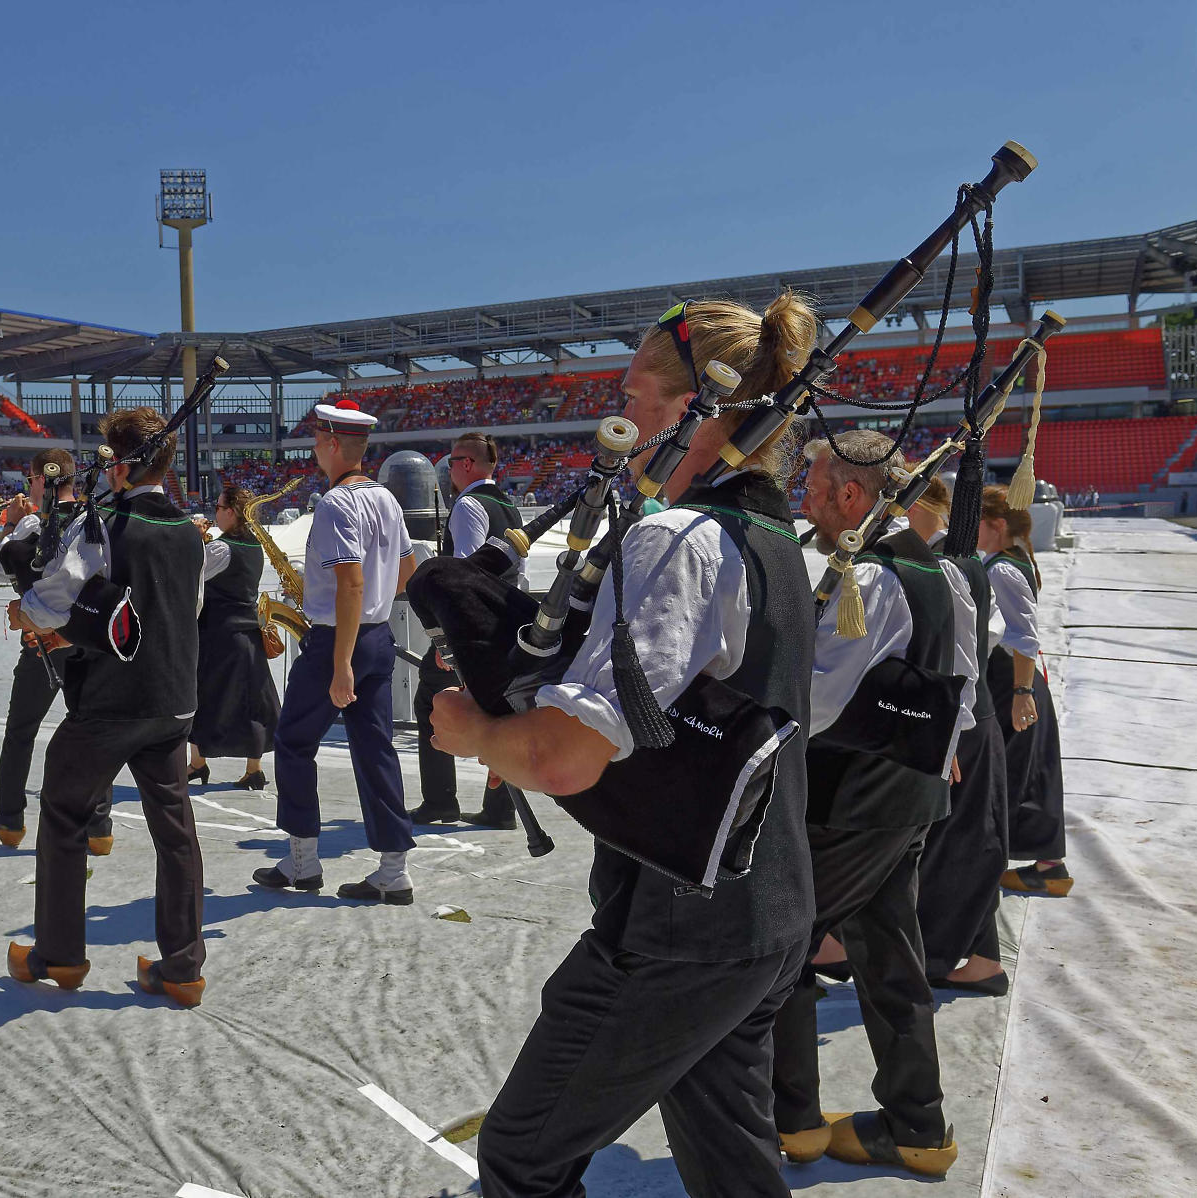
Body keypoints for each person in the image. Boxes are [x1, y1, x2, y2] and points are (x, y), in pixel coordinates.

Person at [430, 296, 821, 1198]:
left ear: (701, 408)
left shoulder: (677, 539)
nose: (624, 411)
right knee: (730, 1162)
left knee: (524, 1156)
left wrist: (477, 731)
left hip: (679, 931)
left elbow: (566, 759)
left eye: (638, 392)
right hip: (769, 910)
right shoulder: (772, 538)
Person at [773, 429, 970, 1179]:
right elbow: (957, 682)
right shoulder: (929, 567)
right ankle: (918, 1128)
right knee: (891, 963)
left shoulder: (872, 579)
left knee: (778, 941)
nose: (808, 505)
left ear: (851, 496)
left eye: (815, 491)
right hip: (908, 792)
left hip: (854, 800)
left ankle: (789, 1120)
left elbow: (815, 701)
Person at [7, 407, 208, 1006]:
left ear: (117, 463)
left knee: (64, 815)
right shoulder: (189, 531)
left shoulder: (104, 525)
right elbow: (179, 609)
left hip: (111, 703)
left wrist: (31, 619)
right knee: (176, 834)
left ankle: (60, 954)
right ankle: (182, 967)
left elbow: (49, 602)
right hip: (172, 700)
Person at [254, 399, 418, 904]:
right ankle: (393, 869)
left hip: (337, 642)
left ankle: (302, 862)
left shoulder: (335, 503)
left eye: (316, 439)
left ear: (330, 443)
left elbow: (349, 584)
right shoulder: (386, 499)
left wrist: (341, 660)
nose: (314, 448)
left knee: (294, 741)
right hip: (377, 636)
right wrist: (371, 611)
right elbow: (407, 567)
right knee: (375, 749)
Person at [0, 447, 114, 854]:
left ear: (38, 479)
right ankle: (99, 825)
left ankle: (10, 819)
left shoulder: (32, 522)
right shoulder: (92, 518)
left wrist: (10, 526)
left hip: (40, 639)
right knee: (91, 728)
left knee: (20, 731)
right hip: (85, 636)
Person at [910, 479, 1010, 994]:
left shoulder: (945, 558)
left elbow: (969, 648)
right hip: (965, 714)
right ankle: (979, 960)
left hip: (959, 717)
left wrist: (949, 732)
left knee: (958, 845)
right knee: (965, 840)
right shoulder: (950, 552)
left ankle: (954, 956)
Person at [409, 432, 525, 830]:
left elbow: (463, 574)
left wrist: (448, 635)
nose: (449, 469)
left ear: (468, 464)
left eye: (452, 461)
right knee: (501, 711)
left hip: (472, 625)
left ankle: (440, 801)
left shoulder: (469, 505)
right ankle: (501, 807)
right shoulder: (508, 506)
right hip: (506, 621)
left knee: (429, 700)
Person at [980, 486, 1071, 897]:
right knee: (1036, 771)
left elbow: (1023, 637)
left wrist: (1021, 691)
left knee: (1011, 774)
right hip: (1022, 681)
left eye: (978, 522)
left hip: (1013, 681)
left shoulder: (1001, 570)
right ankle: (1048, 865)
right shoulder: (1012, 560)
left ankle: (992, 858)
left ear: (997, 526)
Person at [187, 482, 281, 790]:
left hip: (219, 634)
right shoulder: (255, 546)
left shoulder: (221, 547)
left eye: (217, 508)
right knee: (252, 701)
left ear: (230, 512)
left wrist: (194, 539)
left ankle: (197, 763)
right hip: (247, 633)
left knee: (201, 695)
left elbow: (191, 576)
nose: (214, 514)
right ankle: (253, 770)